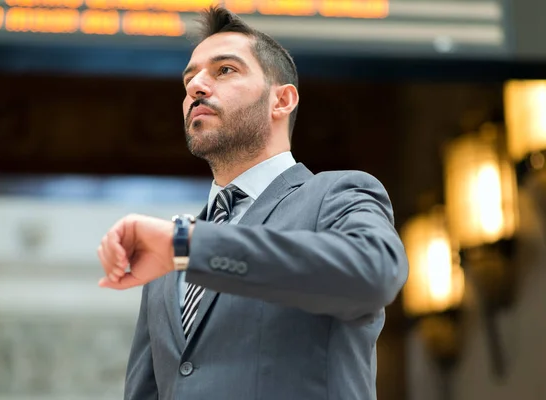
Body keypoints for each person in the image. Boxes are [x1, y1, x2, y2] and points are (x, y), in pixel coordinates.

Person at [97, 6, 408, 400]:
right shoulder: (168, 257)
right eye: (190, 79)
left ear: (282, 100)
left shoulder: (339, 194)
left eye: (225, 70)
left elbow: (374, 273)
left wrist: (187, 246)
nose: (196, 87)